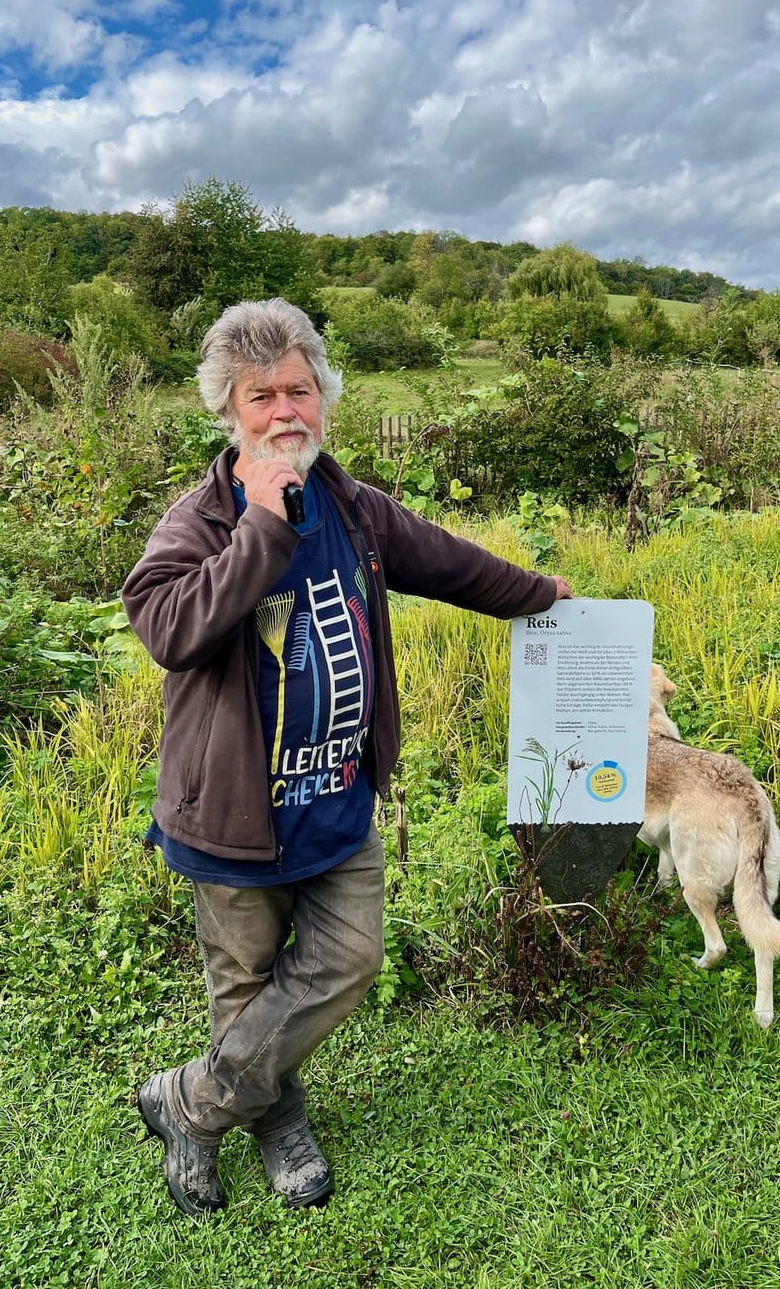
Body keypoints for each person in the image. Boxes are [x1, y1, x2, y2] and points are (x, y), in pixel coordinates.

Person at [123, 297, 571, 1217]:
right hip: (234, 821)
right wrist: (261, 524)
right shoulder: (198, 522)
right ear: (228, 412)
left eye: (298, 389)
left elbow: (449, 561)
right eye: (261, 396)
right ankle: (278, 1124)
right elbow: (170, 629)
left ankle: (192, 1104)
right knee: (244, 985)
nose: (285, 411)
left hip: (336, 803)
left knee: (350, 960)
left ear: (323, 397)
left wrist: (539, 593)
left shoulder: (354, 507)